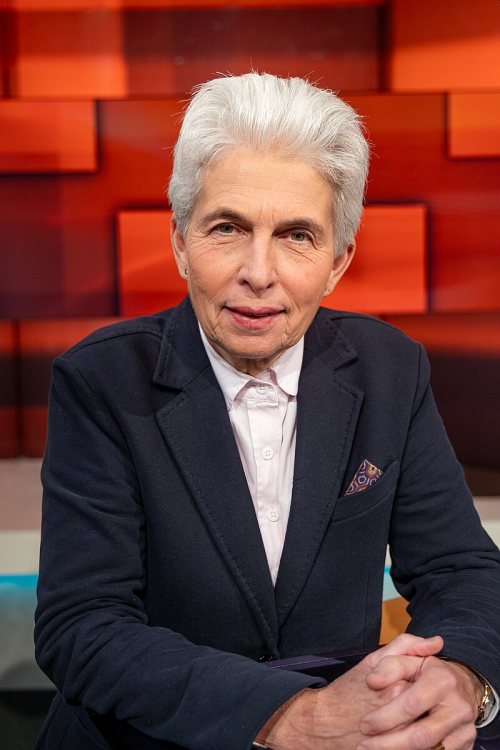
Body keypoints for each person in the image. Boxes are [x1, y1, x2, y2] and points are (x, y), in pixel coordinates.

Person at [34, 73, 500, 750]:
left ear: (337, 262)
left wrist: (460, 677)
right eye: (228, 228)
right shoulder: (101, 379)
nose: (259, 272)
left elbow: (460, 569)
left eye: (296, 235)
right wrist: (292, 717)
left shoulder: (391, 368)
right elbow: (83, 627)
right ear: (180, 242)